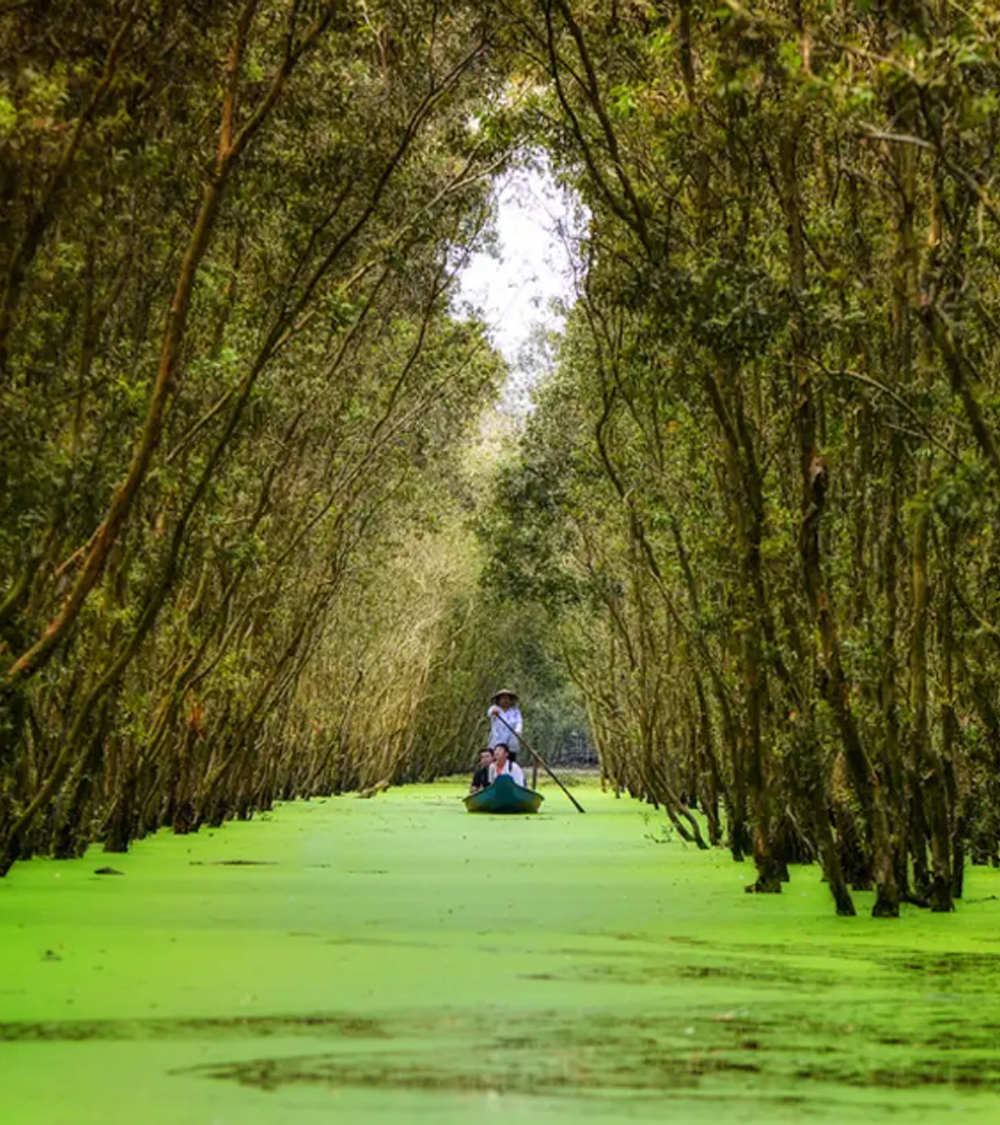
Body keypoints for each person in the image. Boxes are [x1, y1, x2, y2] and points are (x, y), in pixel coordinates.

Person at [487, 688, 522, 756]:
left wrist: (518, 730)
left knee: (510, 761)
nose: (505, 701)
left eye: (507, 698)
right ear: (499, 700)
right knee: (497, 760)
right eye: (503, 698)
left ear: (510, 700)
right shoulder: (495, 708)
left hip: (511, 740)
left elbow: (519, 722)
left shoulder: (515, 711)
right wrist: (493, 711)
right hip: (497, 740)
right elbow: (489, 713)